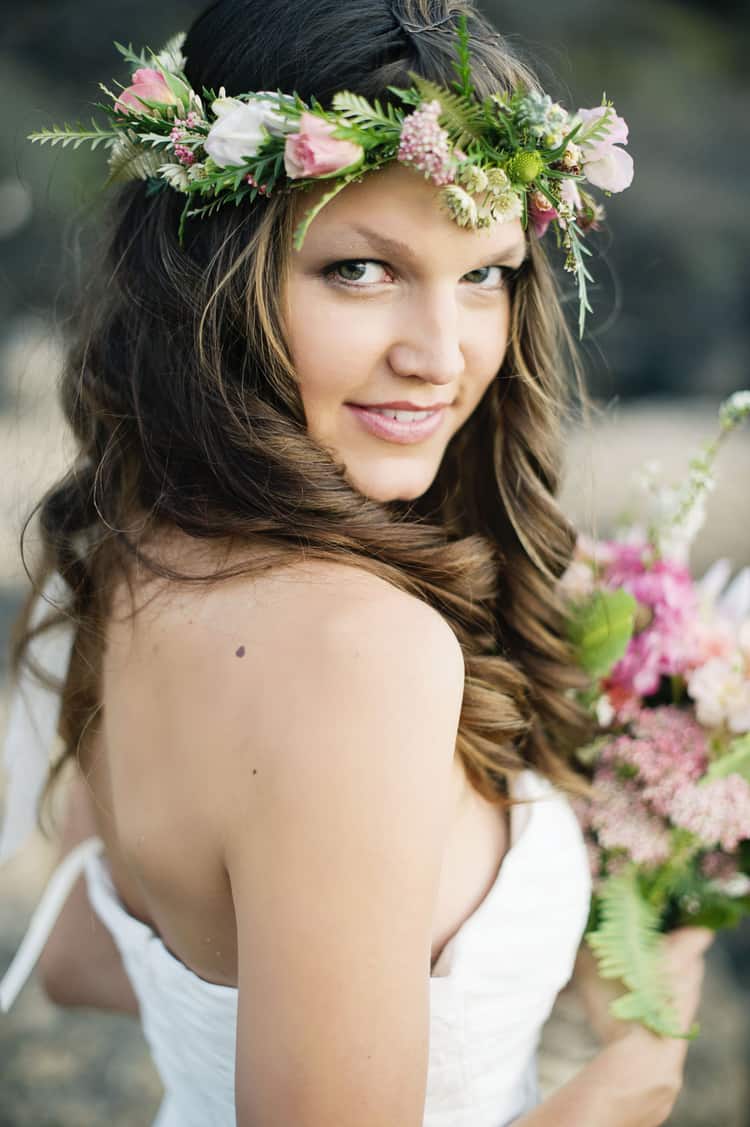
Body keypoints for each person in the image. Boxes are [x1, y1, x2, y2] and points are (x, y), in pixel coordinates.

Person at [0, 1, 713, 1124]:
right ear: (211, 281)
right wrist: (635, 1075)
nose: (441, 355)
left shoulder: (130, 560)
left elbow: (86, 954)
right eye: (361, 270)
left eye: (486, 273)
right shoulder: (360, 651)